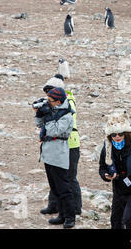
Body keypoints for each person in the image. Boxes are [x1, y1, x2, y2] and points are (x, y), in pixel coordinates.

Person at [98, 111, 131, 229]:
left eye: (120, 134)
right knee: (115, 221)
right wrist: (105, 175)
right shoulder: (107, 148)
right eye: (113, 135)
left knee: (129, 218)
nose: (117, 137)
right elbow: (102, 167)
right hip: (118, 188)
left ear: (126, 133)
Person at [40, 74, 82, 216]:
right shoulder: (55, 102)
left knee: (69, 177)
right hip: (56, 144)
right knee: (55, 177)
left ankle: (75, 208)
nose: (47, 96)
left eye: (50, 91)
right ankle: (54, 205)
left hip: (70, 143)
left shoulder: (68, 103)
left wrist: (49, 115)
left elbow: (60, 125)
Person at [34, 87, 75, 228]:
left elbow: (54, 130)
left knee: (64, 188)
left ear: (58, 101)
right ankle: (61, 215)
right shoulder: (52, 110)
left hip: (58, 154)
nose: (48, 103)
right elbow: (39, 125)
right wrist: (39, 114)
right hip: (48, 154)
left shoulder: (67, 116)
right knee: (55, 187)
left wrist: (48, 116)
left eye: (50, 101)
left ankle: (70, 217)